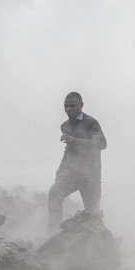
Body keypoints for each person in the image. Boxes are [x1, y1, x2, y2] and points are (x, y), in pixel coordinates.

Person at [47, 91, 107, 232]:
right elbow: (69, 150)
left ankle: (101, 246)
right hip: (72, 173)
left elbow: (102, 143)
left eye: (72, 106)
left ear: (81, 105)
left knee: (93, 214)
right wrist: (60, 170)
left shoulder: (91, 123)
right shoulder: (65, 125)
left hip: (90, 175)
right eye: (66, 106)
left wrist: (75, 140)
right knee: (54, 192)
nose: (68, 109)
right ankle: (52, 234)